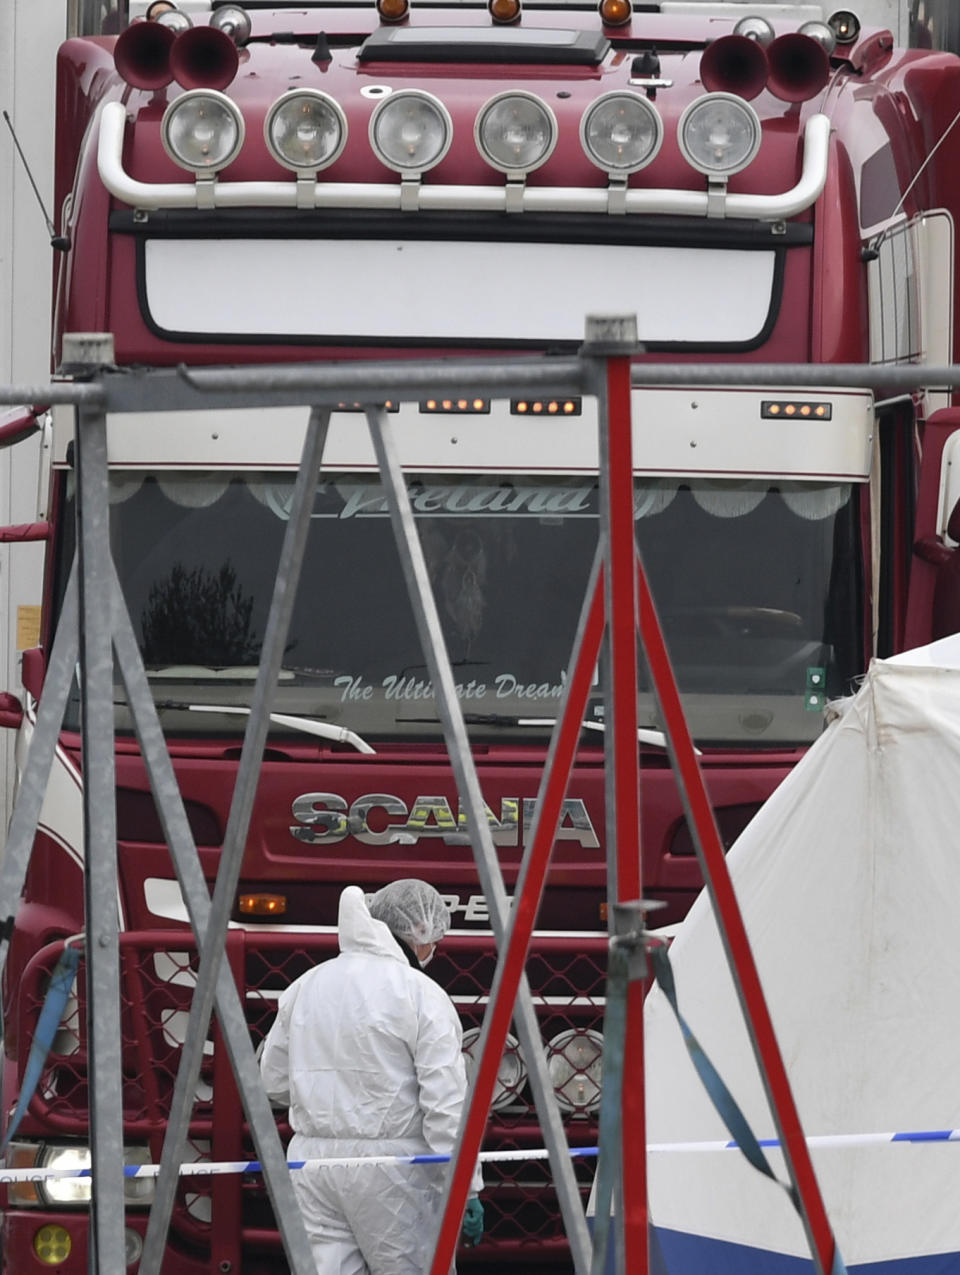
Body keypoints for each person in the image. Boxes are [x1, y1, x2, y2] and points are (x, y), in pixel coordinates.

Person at [259, 879, 484, 1274]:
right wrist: (466, 1186)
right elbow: (445, 1106)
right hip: (396, 1172)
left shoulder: (306, 985)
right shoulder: (421, 995)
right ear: (418, 933)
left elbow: (272, 1082)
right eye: (434, 939)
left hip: (310, 1167)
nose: (434, 950)